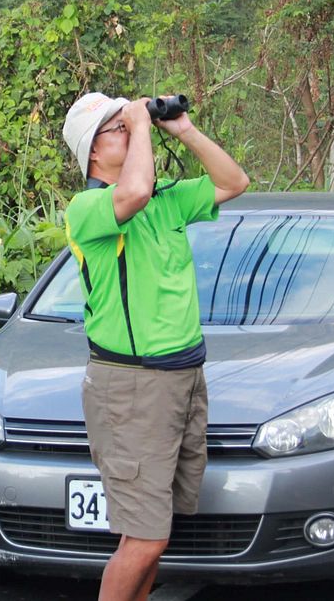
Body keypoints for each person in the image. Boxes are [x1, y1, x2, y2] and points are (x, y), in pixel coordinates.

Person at [62, 93, 249, 601]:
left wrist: (184, 130)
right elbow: (135, 191)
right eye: (117, 128)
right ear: (93, 151)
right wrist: (142, 122)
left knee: (153, 534)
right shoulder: (89, 209)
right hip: (132, 385)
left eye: (128, 124)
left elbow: (234, 182)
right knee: (145, 538)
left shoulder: (165, 200)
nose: (128, 129)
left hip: (184, 376)